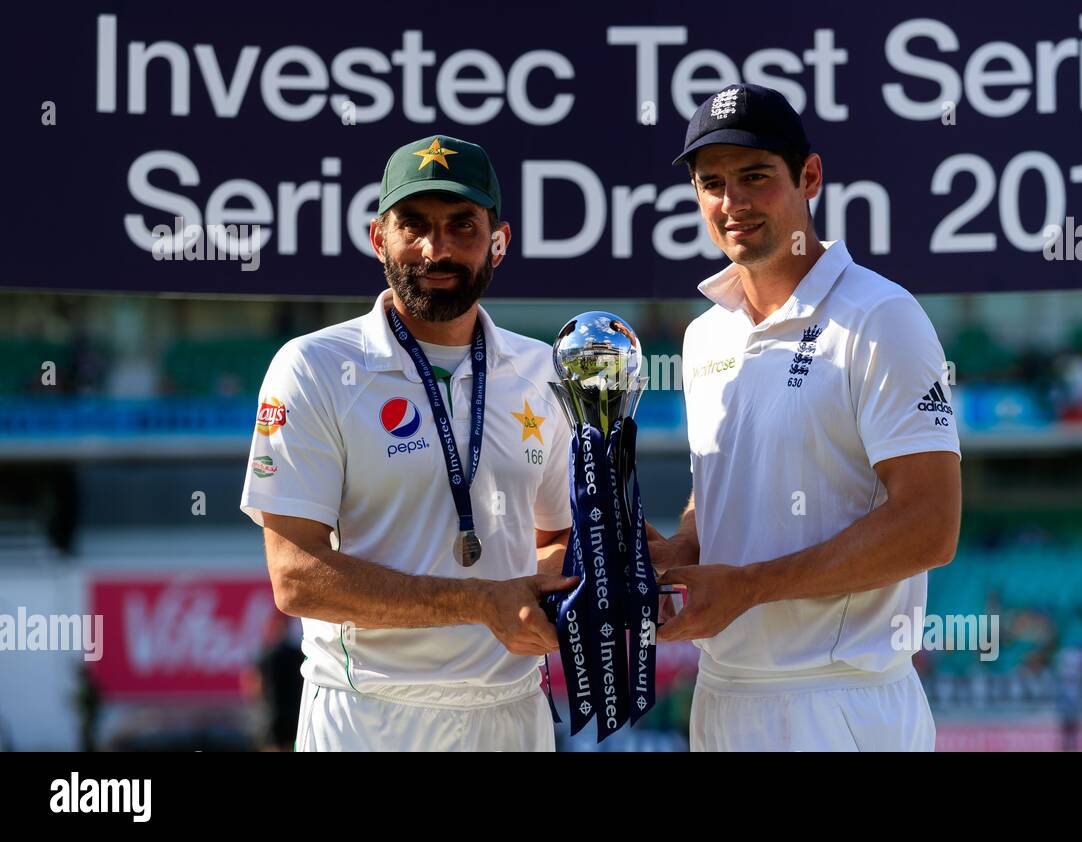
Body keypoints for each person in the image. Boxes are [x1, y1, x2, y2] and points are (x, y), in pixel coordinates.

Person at [651, 84, 962, 751]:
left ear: (809, 178)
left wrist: (750, 588)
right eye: (713, 184)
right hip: (722, 695)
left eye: (755, 177)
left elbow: (931, 527)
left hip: (842, 702)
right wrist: (680, 548)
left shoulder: (881, 316)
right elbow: (722, 488)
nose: (731, 203)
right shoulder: (705, 335)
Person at [239, 134, 575, 751]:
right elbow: (297, 579)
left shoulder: (544, 371)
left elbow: (555, 536)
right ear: (378, 238)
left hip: (512, 711)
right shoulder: (313, 367)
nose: (435, 248)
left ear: (498, 242)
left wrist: (558, 595)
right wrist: (482, 603)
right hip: (368, 716)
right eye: (413, 224)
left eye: (462, 226)